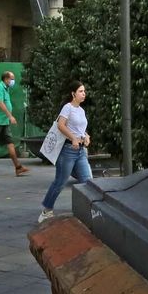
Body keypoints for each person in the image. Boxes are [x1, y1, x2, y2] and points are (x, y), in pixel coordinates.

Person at [37, 81, 92, 223]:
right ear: (73, 94)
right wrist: (73, 138)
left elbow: (80, 128)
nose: (83, 94)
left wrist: (85, 136)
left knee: (88, 181)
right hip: (67, 151)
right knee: (60, 182)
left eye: (84, 91)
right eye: (80, 91)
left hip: (80, 151)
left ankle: (87, 212)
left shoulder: (81, 110)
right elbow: (61, 125)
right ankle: (46, 211)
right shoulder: (67, 108)